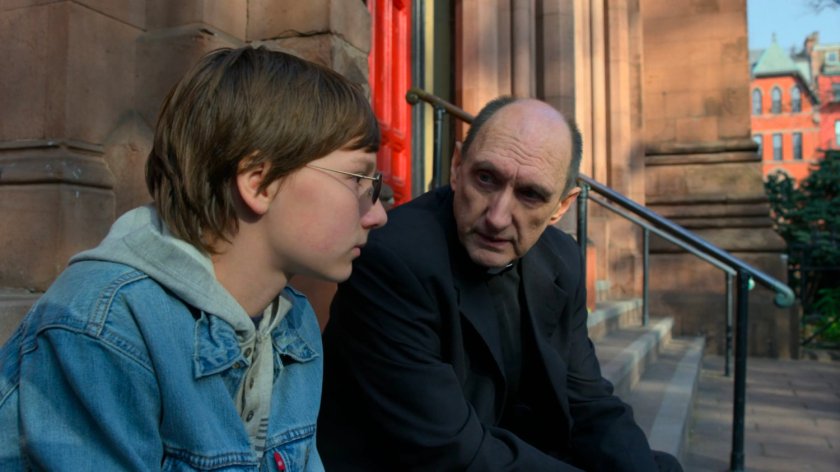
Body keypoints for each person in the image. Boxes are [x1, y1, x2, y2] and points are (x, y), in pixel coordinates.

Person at [0, 46, 386, 470]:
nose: (378, 213)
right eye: (358, 178)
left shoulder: (293, 326)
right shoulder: (104, 325)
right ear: (259, 183)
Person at [317, 97, 682, 471]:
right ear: (457, 167)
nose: (497, 216)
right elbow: (450, 450)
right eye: (486, 178)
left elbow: (588, 402)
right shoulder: (393, 259)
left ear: (562, 206)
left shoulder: (562, 260)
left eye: (530, 194)